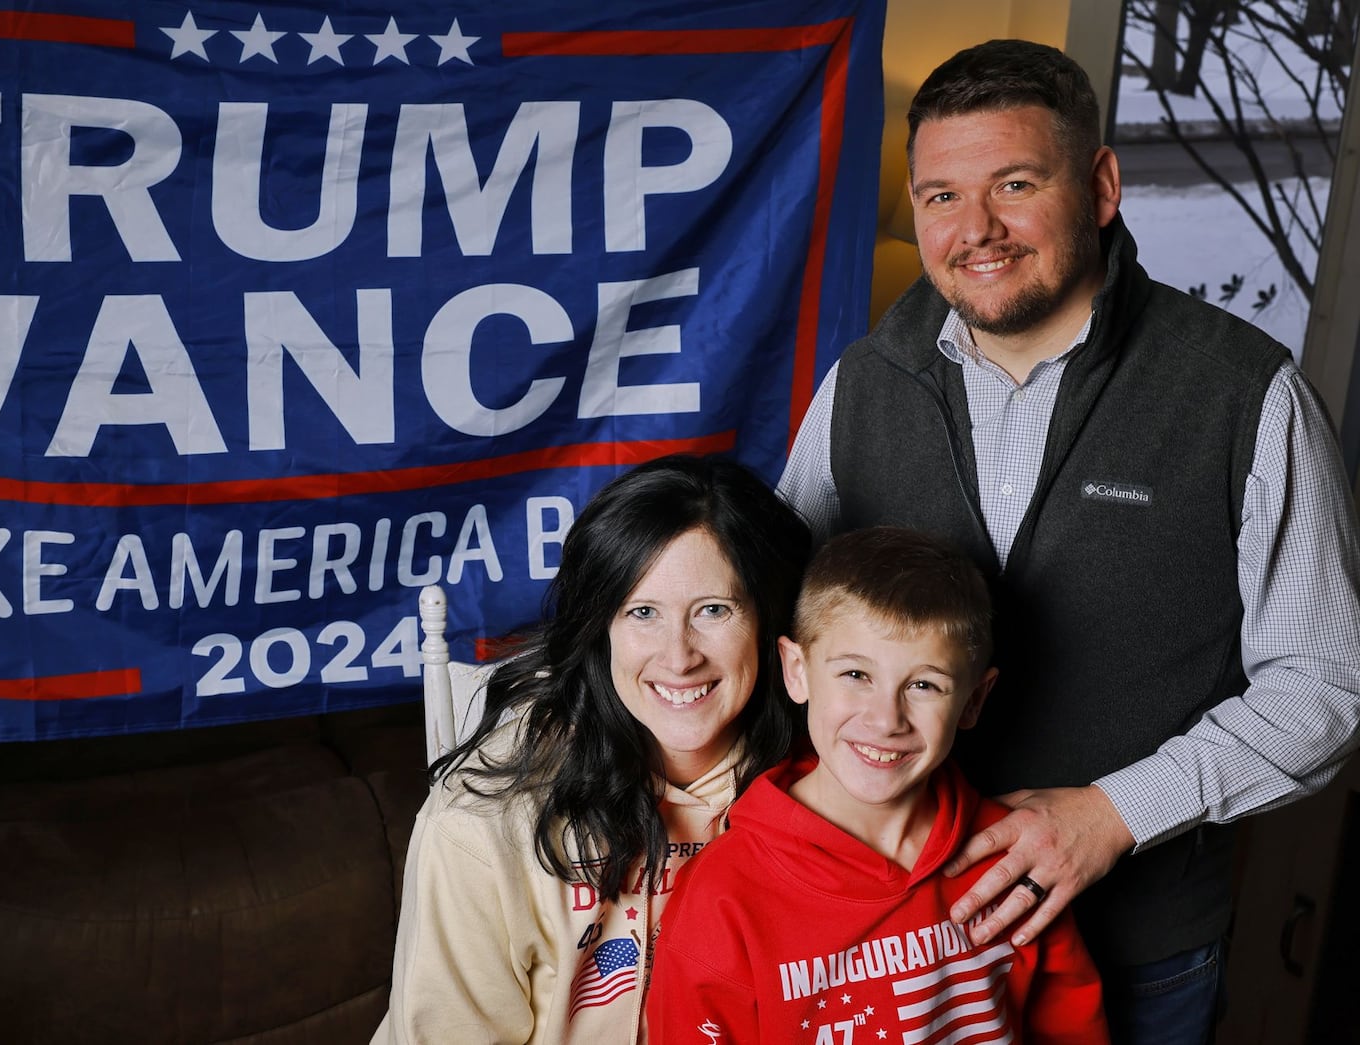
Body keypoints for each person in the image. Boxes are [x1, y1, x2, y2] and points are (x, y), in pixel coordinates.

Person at [777, 38, 1360, 1044]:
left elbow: (1325, 680)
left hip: (1141, 953)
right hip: (889, 954)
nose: (976, 230)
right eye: (940, 197)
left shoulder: (1241, 393)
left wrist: (1109, 814)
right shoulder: (861, 388)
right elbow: (776, 636)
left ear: (1098, 186)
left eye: (1013, 183)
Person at [372, 454, 811, 1044]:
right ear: (600, 629)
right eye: (642, 612)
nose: (679, 656)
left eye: (714, 610)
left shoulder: (825, 785)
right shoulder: (482, 823)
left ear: (767, 622)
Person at [647, 526, 1109, 1044]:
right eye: (855, 676)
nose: (887, 719)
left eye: (924, 685)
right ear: (796, 670)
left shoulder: (1016, 858)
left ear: (975, 700)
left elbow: (1070, 1026)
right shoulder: (724, 897)